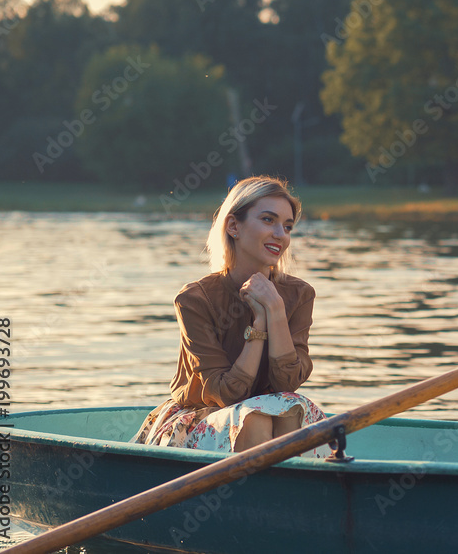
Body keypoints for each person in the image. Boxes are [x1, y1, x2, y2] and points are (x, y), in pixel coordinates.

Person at [132, 176, 331, 457]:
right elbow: (228, 394)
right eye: (268, 220)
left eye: (287, 227)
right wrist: (260, 325)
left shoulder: (299, 295)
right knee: (255, 417)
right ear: (234, 226)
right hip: (200, 419)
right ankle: (249, 499)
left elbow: (287, 383)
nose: (280, 234)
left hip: (269, 414)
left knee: (290, 409)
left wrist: (274, 308)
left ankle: (283, 497)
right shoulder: (195, 299)